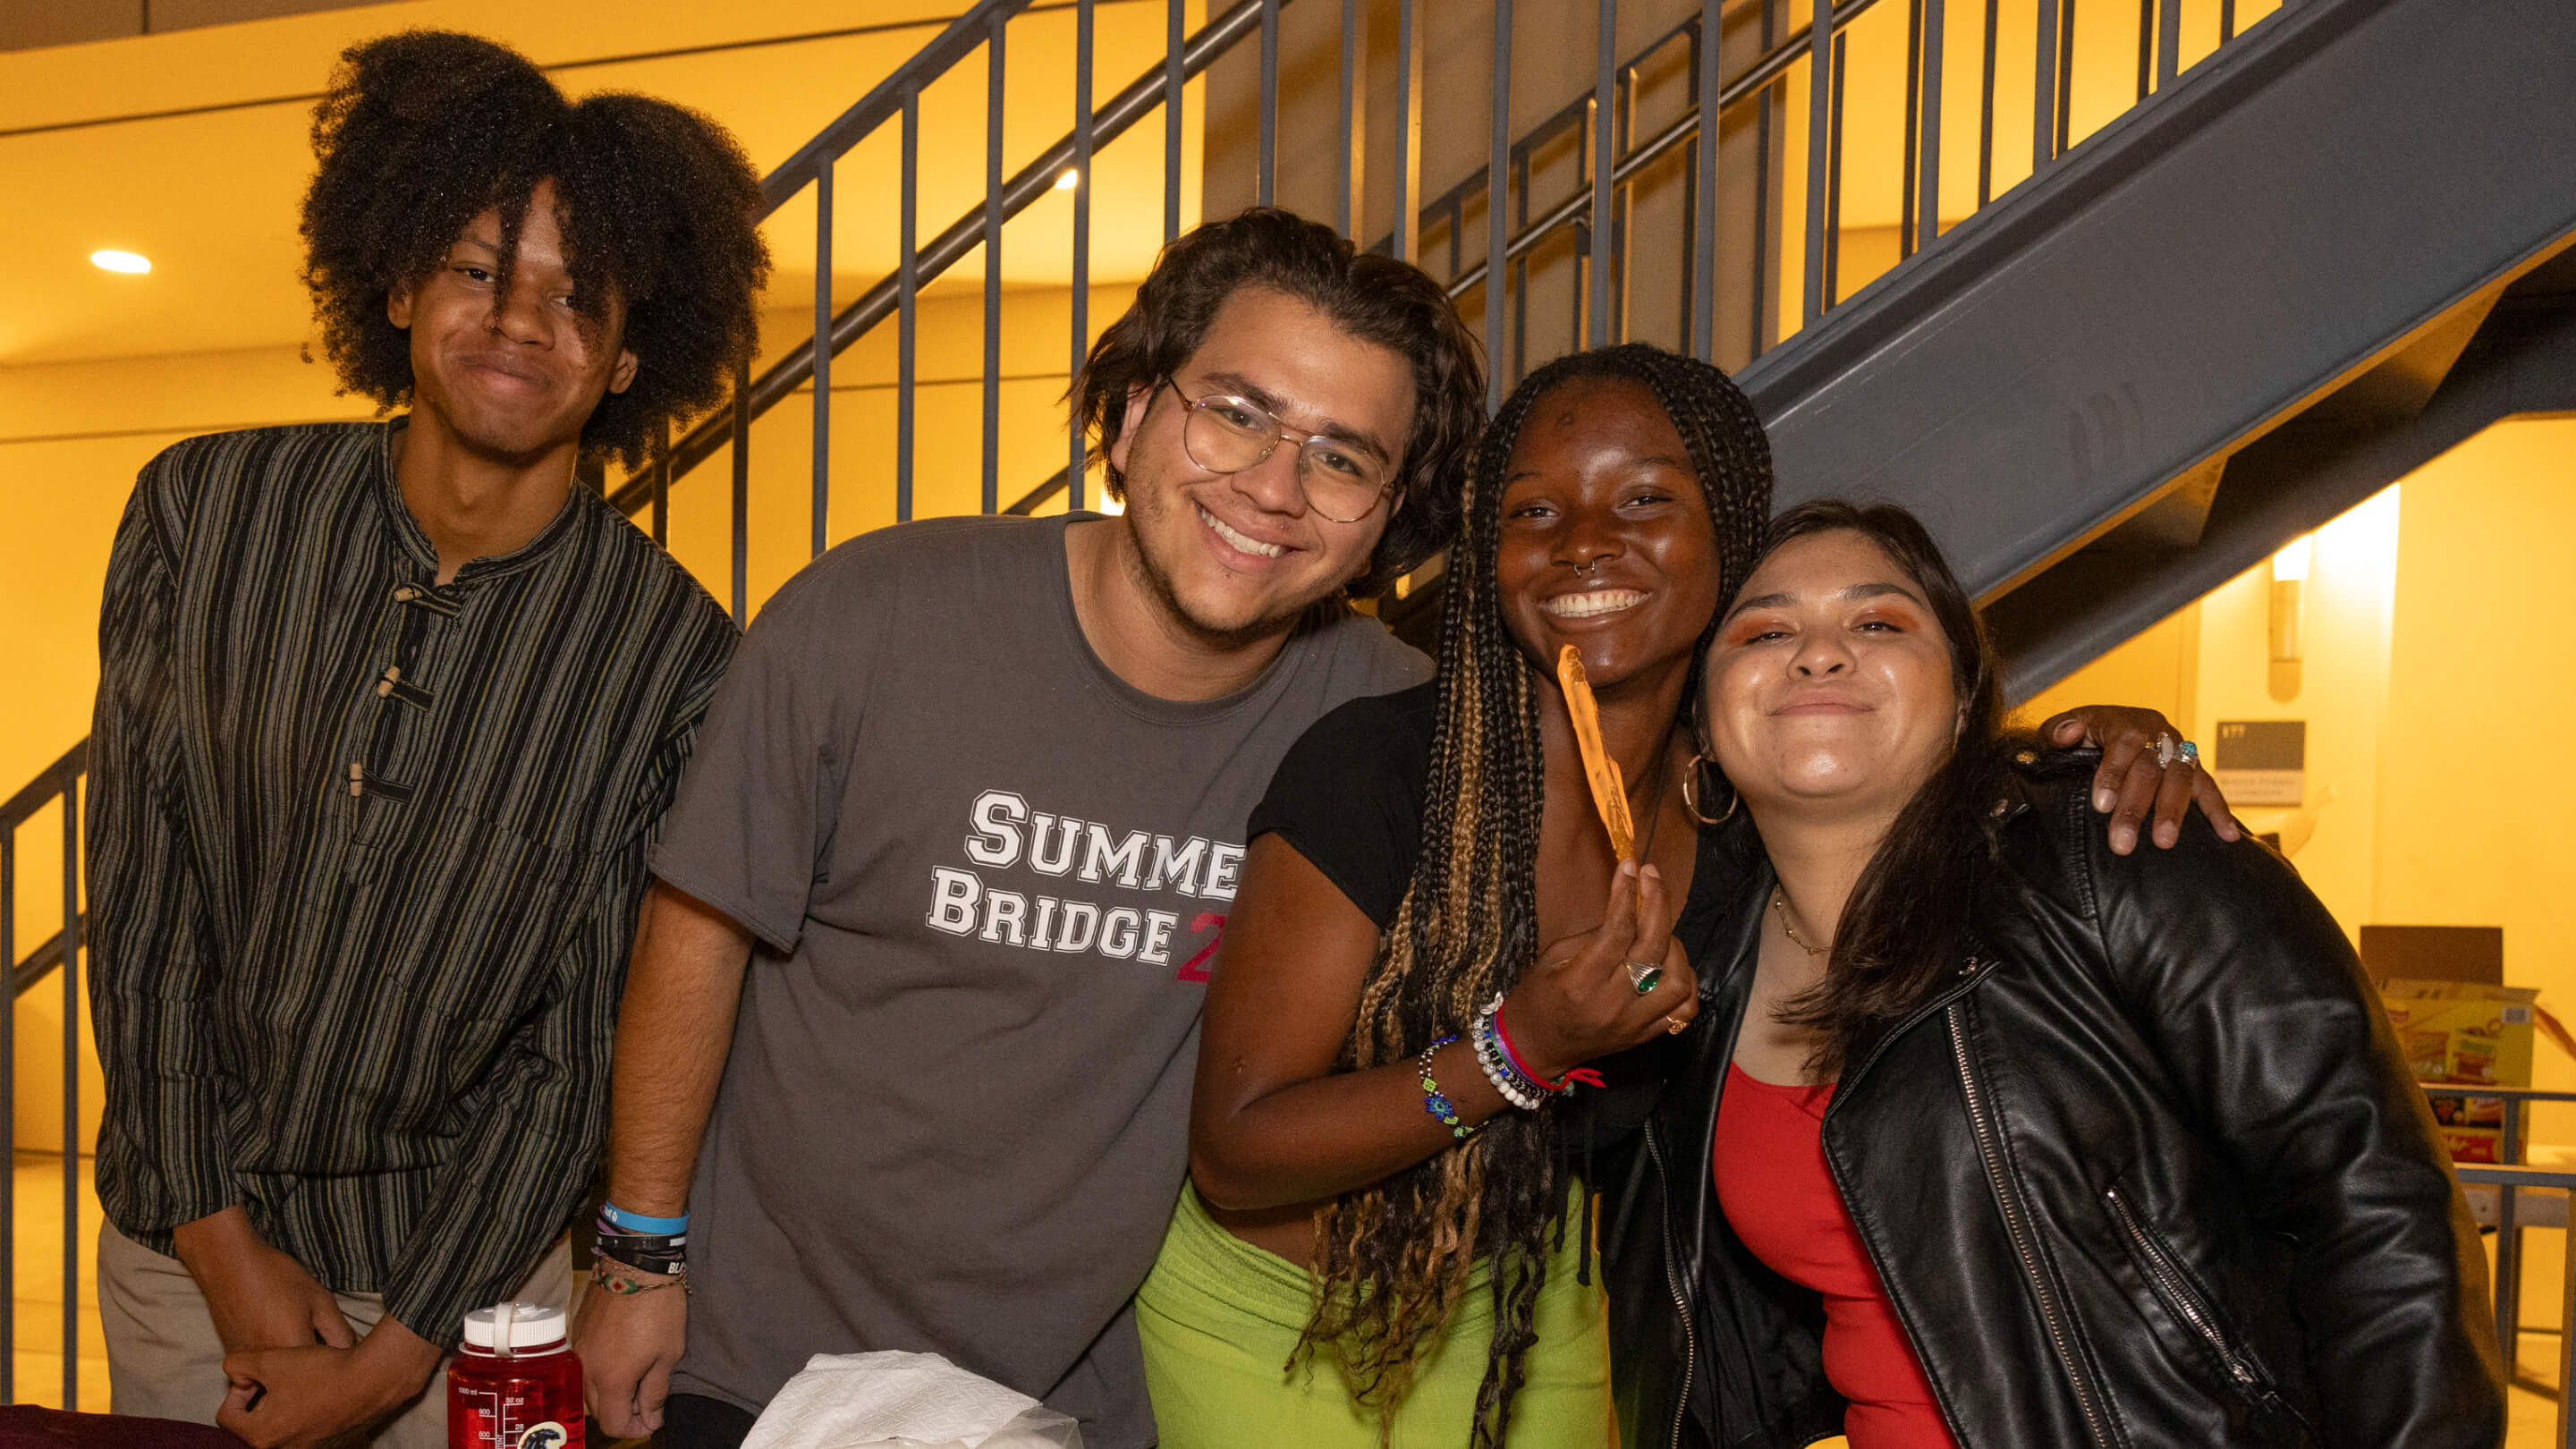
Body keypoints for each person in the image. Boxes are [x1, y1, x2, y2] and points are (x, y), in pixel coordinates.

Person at [1164, 346, 2232, 1447]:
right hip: (1277, 1321)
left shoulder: (1746, 814)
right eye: (1535, 511)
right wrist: (1517, 1052)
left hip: (1542, 1313)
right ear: (1490, 558)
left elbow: (1922, 788)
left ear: (1727, 535)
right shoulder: (1378, 773)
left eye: (1642, 499)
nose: (1584, 542)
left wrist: (2100, 750)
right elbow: (1237, 1154)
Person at [570, 208, 1485, 1449]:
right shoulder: (874, 615)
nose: (1272, 486)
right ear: (1131, 414)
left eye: (1341, 456)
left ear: (1385, 516)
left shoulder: (1387, 725)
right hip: (759, 1362)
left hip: (1086, 1402)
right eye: (1236, 410)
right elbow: (700, 925)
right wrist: (638, 1256)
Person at [83, 31, 766, 1448]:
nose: (521, 320)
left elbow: (579, 1048)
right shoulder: (203, 515)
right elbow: (144, 909)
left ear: (633, 351)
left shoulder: (677, 658)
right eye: (476, 268)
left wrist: (393, 1363)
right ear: (393, 282)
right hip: (178, 1256)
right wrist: (220, 1250)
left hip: (472, 1303)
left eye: (579, 294)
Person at [1597, 500, 2505, 1448]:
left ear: (1961, 696)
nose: (1819, 653)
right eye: (1767, 629)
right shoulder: (1713, 967)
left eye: (1879, 622)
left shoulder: (2117, 850)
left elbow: (2380, 1216)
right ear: (1703, 718)